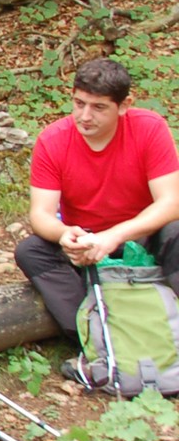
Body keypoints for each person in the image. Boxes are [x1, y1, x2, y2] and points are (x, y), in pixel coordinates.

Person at [13, 58, 179, 343]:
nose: (85, 116)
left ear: (124, 105)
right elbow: (41, 214)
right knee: (31, 251)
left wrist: (114, 236)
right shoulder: (53, 140)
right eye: (79, 104)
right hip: (85, 244)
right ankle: (93, 338)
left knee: (176, 231)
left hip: (141, 237)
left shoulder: (149, 128)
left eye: (98, 107)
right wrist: (65, 234)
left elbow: (171, 202)